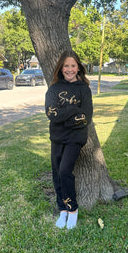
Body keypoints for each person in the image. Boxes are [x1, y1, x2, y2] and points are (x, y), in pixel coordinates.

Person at [45, 50, 93, 229]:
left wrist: (63, 116)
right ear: (60, 67)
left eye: (73, 65)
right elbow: (51, 113)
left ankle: (72, 209)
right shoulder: (54, 89)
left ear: (78, 67)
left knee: (65, 170)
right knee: (57, 172)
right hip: (57, 137)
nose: (70, 69)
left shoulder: (84, 89)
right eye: (66, 65)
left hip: (75, 138)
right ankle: (62, 209)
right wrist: (73, 110)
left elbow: (86, 116)